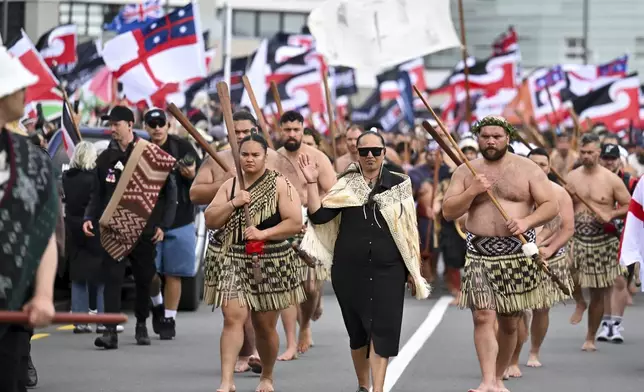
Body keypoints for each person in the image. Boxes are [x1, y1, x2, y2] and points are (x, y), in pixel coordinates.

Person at [299, 129, 429, 392]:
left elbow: (408, 231)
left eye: (376, 151)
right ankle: (363, 385)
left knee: (382, 330)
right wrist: (311, 183)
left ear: (384, 153)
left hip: (389, 269)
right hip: (349, 271)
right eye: (363, 151)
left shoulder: (399, 184)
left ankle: (377, 389)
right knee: (358, 333)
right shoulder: (345, 184)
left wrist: (413, 271)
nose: (370, 156)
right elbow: (319, 217)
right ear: (356, 154)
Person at [441, 116, 559, 392]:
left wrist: (527, 222)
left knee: (509, 322)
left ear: (508, 138)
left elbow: (550, 205)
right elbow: (448, 212)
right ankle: (486, 381)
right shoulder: (465, 171)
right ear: (478, 138)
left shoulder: (528, 168)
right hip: (479, 254)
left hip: (516, 254)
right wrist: (472, 191)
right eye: (485, 136)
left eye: (496, 136)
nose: (491, 141)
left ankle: (497, 377)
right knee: (483, 315)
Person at [198, 111, 298, 373]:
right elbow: (210, 218)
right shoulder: (230, 186)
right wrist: (234, 203)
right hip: (231, 258)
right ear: (238, 157)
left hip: (270, 259)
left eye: (255, 155)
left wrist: (263, 234)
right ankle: (226, 380)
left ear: (266, 157)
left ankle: (267, 377)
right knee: (232, 318)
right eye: (245, 155)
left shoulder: (280, 184)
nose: (250, 159)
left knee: (264, 327)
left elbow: (294, 222)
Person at [83, 105, 177, 349]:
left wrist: (163, 225)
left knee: (144, 279)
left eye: (116, 124)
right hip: (114, 228)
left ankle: (141, 325)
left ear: (129, 125)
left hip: (145, 230)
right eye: (111, 125)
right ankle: (111, 332)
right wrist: (88, 218)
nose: (112, 129)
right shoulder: (104, 159)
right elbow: (96, 194)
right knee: (111, 279)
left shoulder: (151, 155)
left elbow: (170, 192)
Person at [0, 44, 58, 392]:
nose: (25, 92)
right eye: (17, 85)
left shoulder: (32, 160)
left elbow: (44, 231)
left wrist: (44, 295)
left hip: (13, 309)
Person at [503, 147, 575, 377]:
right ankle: (512, 359)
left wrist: (550, 249)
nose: (538, 168)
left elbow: (567, 227)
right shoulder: (517, 190)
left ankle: (534, 351)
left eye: (542, 164)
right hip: (520, 254)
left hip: (549, 255)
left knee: (541, 308)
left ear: (549, 167)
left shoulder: (559, 192)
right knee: (519, 309)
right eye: (533, 163)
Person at [276, 110, 336, 359]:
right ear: (281, 130)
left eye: (296, 130)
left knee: (310, 287)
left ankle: (306, 324)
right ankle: (291, 341)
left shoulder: (317, 158)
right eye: (287, 130)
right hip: (283, 229)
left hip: (311, 229)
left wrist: (313, 206)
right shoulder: (272, 158)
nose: (291, 134)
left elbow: (333, 193)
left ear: (303, 130)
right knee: (287, 287)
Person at [565, 134, 631, 351]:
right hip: (576, 237)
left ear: (598, 153)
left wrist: (611, 214)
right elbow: (560, 205)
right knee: (566, 270)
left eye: (591, 152)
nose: (586, 156)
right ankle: (579, 302)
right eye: (583, 152)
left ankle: (591, 337)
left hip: (602, 240)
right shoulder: (572, 177)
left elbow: (629, 206)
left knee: (598, 291)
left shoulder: (612, 180)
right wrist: (568, 195)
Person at [143, 108, 201, 340]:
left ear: (167, 126)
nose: (157, 128)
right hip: (150, 221)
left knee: (174, 273)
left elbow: (199, 180)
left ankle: (169, 318)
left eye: (161, 123)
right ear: (146, 126)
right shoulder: (142, 149)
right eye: (152, 123)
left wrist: (190, 175)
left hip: (180, 219)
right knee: (150, 272)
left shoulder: (183, 148)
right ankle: (157, 305)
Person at [62, 141, 114, 334]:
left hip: (73, 228)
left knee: (78, 276)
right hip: (93, 226)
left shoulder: (67, 177)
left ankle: (79, 320)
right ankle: (101, 320)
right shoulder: (95, 179)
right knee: (100, 275)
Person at [595, 143, 638, 343]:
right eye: (606, 158)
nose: (609, 162)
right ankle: (606, 322)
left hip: (623, 238)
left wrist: (612, 213)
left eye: (613, 158)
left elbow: (636, 206)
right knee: (605, 283)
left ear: (619, 160)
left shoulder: (631, 181)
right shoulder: (593, 179)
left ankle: (615, 324)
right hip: (598, 237)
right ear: (600, 158)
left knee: (620, 280)